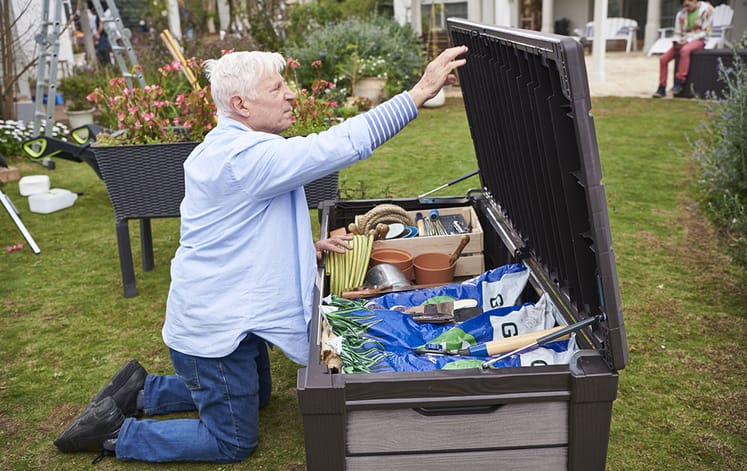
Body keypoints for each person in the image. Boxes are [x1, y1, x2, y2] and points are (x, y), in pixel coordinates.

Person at [53, 45, 468, 463]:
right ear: (241, 104)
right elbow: (343, 143)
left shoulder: (231, 147)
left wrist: (308, 248)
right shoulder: (244, 158)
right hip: (212, 333)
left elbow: (239, 233)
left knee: (260, 396)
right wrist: (420, 91)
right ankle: (115, 432)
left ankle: (143, 390)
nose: (291, 95)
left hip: (227, 313)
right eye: (278, 87)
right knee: (232, 440)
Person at [653, 0, 714, 98]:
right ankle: (661, 87)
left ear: (694, 1)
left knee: (685, 50)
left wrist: (688, 40)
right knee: (663, 59)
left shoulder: (707, 10)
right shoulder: (681, 14)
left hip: (699, 40)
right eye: (683, 6)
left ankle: (679, 81)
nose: (685, 8)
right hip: (683, 40)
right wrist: (677, 41)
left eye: (687, 5)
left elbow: (706, 31)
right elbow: (677, 31)